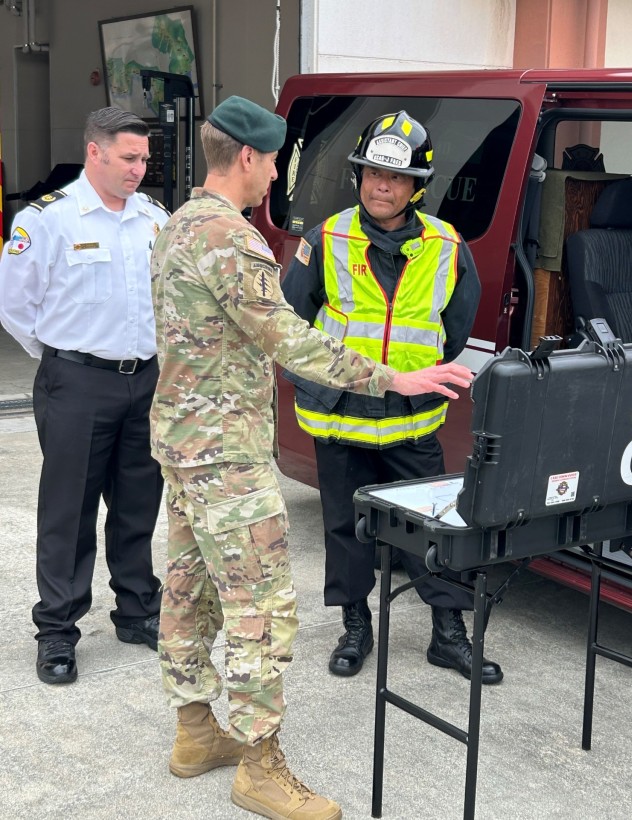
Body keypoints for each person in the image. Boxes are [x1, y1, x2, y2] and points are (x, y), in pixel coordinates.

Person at [150, 95, 474, 820]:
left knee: (187, 592)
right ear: (248, 158)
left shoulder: (175, 225)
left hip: (182, 443)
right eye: (272, 162)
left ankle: (195, 733)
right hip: (226, 455)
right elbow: (292, 340)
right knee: (261, 608)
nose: (274, 177)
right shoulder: (231, 240)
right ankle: (260, 766)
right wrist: (395, 378)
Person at [281, 110, 504, 685]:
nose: (382, 186)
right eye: (372, 174)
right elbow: (289, 326)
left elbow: (452, 331)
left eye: (397, 178)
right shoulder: (324, 239)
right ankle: (356, 626)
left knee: (434, 528)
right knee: (344, 529)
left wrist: (412, 369)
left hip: (411, 421)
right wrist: (322, 382)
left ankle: (448, 635)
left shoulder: (447, 246)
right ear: (359, 177)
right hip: (340, 419)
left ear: (417, 186)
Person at [0, 107, 169, 685]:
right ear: (94, 152)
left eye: (145, 158)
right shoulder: (49, 220)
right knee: (68, 510)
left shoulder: (153, 218)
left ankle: (138, 609)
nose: (140, 169)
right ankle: (57, 631)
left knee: (139, 501)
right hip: (76, 380)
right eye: (129, 158)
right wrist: (63, 360)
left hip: (144, 378)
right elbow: (16, 306)